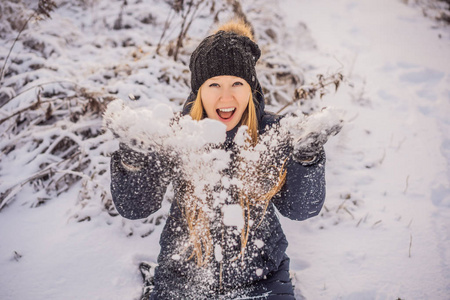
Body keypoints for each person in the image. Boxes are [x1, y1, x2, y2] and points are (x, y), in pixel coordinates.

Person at [110, 20, 329, 299]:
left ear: (250, 88)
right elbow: (135, 207)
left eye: (237, 83)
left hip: (262, 278)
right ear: (199, 90)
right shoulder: (178, 134)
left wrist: (306, 161)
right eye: (214, 84)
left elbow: (301, 209)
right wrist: (133, 160)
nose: (226, 96)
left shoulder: (273, 133)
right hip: (183, 278)